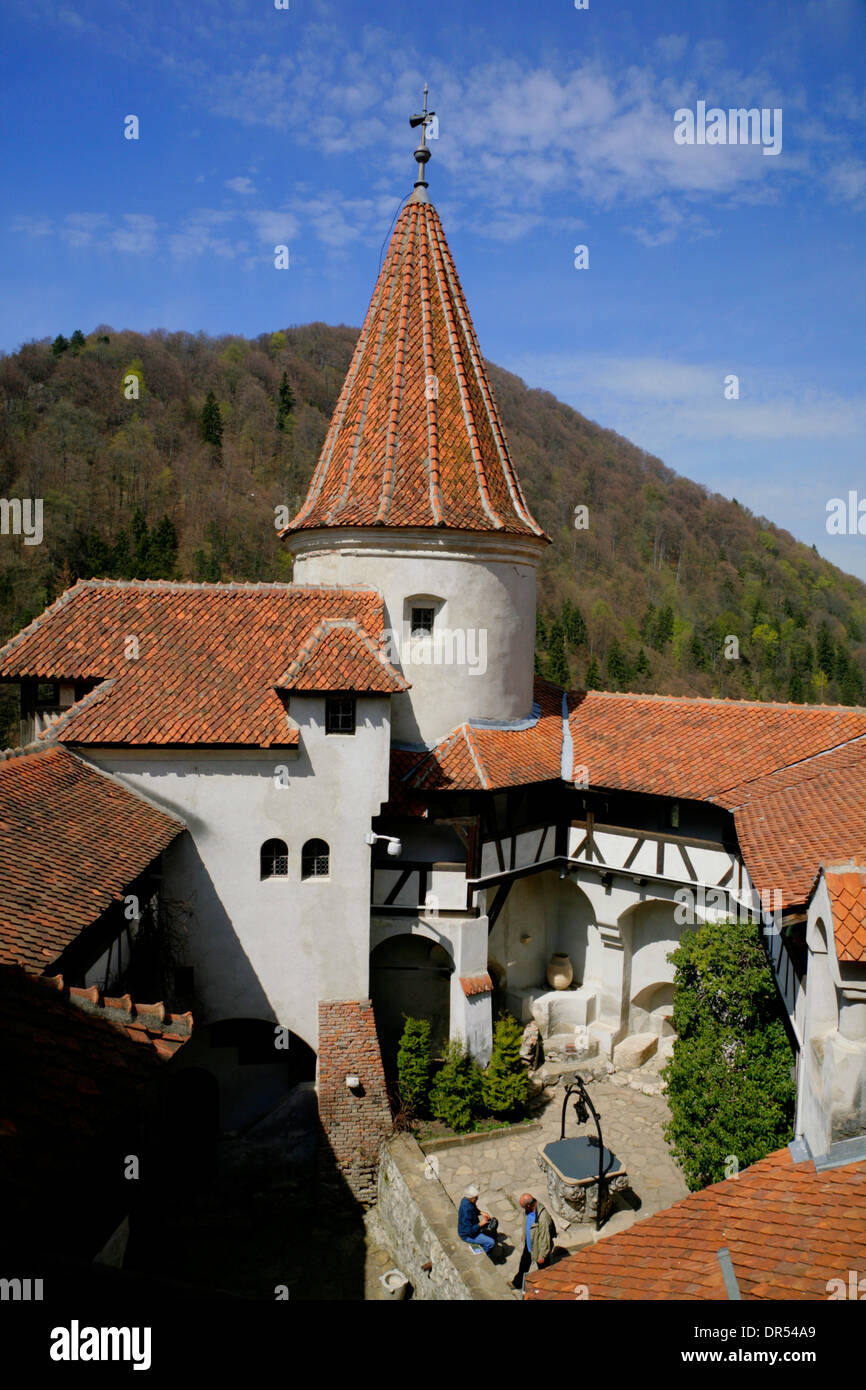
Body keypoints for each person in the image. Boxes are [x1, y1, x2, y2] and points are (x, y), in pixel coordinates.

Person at [512, 1192, 555, 1288]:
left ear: (528, 1206)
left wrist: (542, 1255)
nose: (523, 1209)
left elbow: (545, 1237)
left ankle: (546, 1288)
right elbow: (526, 1222)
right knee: (523, 1265)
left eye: (523, 1207)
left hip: (539, 1249)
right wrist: (525, 1234)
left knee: (544, 1271)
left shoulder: (542, 1217)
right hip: (529, 1245)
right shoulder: (529, 1210)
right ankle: (517, 1283)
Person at [457, 1185, 497, 1256]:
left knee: (492, 1223)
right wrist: (480, 1224)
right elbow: (469, 1231)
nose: (477, 1198)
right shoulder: (466, 1212)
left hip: (473, 1227)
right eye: (475, 1197)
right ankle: (486, 1255)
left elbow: (473, 1208)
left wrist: (481, 1212)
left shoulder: (466, 1201)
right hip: (467, 1235)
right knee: (491, 1242)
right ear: (471, 1198)